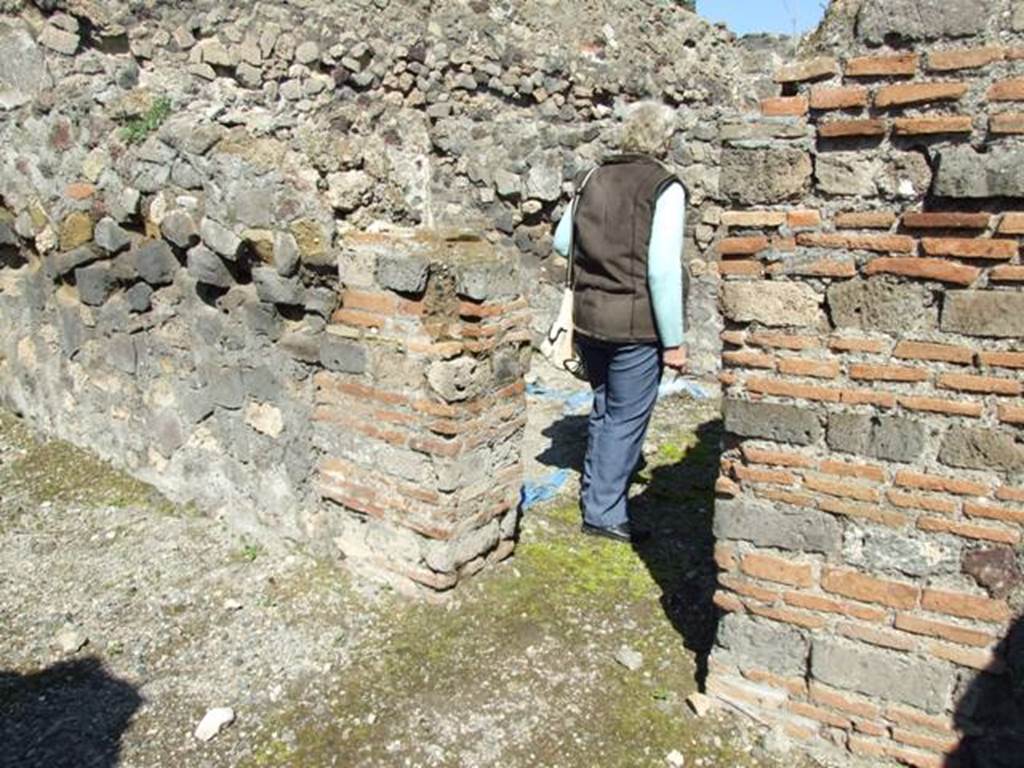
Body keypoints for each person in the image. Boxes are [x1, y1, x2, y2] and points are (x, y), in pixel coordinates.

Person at [552, 102, 688, 544]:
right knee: (626, 418)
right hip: (637, 325)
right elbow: (662, 271)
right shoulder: (664, 187)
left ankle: (596, 492)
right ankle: (603, 512)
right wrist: (675, 342)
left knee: (605, 405)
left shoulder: (591, 177)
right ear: (664, 141)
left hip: (589, 317)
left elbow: (560, 243)